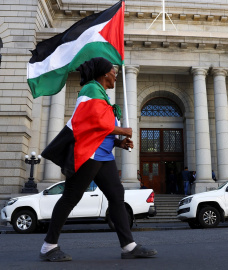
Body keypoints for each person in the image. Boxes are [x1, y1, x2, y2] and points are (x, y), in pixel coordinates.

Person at [39, 57, 157, 262]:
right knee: (70, 198)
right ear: (104, 74)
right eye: (113, 71)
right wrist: (122, 130)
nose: (115, 73)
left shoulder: (101, 94)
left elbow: (101, 130)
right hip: (88, 155)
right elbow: (92, 121)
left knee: (116, 195)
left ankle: (129, 246)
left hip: (103, 156)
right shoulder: (91, 89)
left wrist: (119, 143)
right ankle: (48, 247)